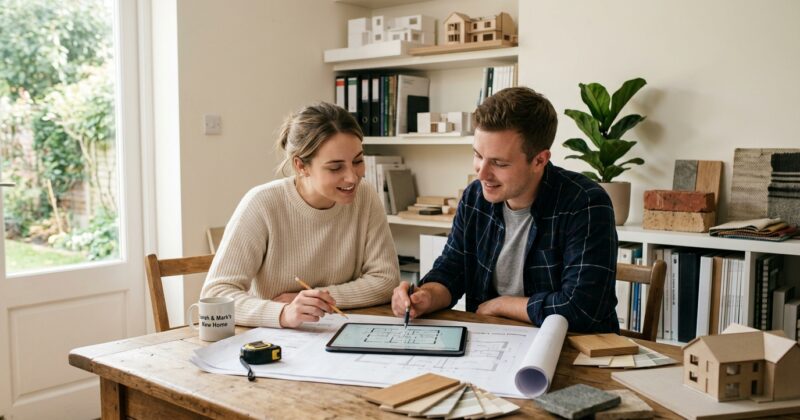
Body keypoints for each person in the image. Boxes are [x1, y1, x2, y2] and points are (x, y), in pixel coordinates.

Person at [391, 87, 619, 333]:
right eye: (478, 155)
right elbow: (451, 270)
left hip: (570, 344)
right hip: (493, 340)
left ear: (539, 160)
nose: (482, 173)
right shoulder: (474, 197)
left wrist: (501, 305)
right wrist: (425, 296)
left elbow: (581, 309)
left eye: (499, 163)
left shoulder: (586, 203)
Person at [202, 102, 400, 328]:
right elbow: (216, 294)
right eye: (335, 168)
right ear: (300, 166)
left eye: (358, 161)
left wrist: (318, 300)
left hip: (338, 330)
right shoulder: (262, 204)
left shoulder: (365, 196)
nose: (352, 177)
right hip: (274, 338)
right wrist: (283, 313)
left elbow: (386, 280)